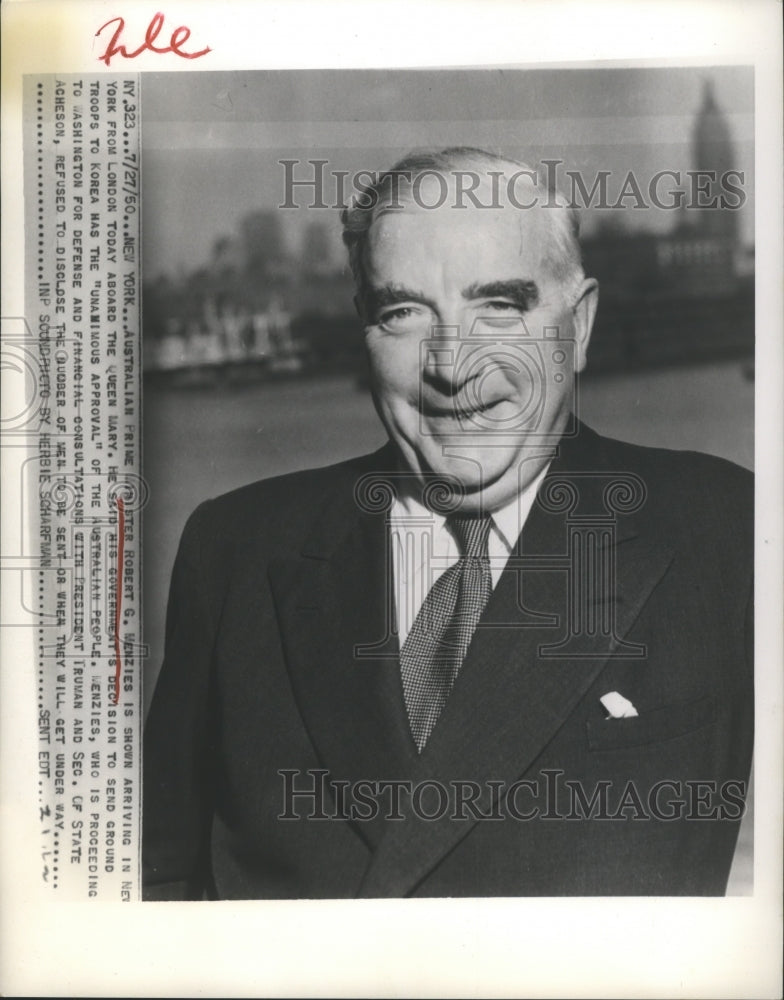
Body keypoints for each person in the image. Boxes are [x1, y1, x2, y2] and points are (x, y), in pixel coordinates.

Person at [143, 147, 753, 899]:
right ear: (364, 330)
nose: (451, 364)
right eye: (403, 313)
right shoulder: (235, 551)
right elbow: (155, 882)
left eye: (498, 305)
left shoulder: (728, 534)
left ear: (580, 326)